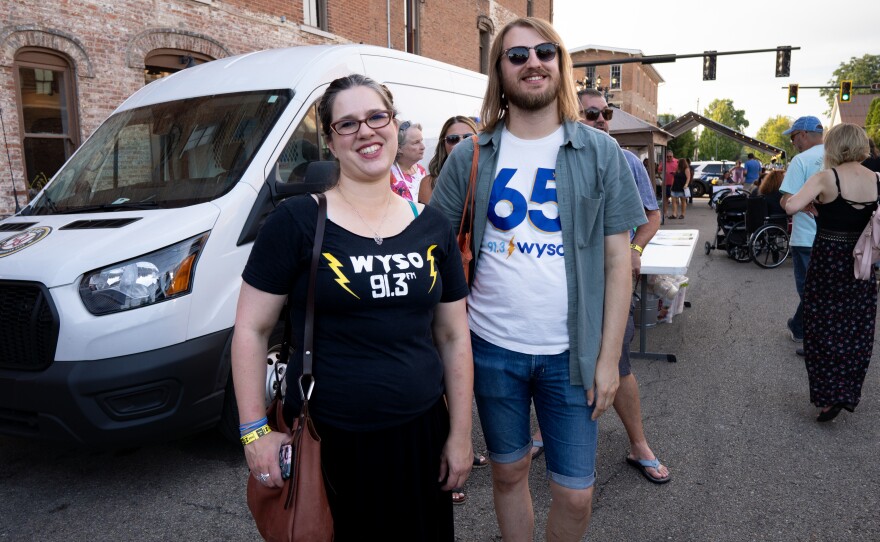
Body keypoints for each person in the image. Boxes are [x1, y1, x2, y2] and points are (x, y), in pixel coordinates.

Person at [232, 74, 474, 541]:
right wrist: (253, 433)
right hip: (330, 441)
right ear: (330, 140)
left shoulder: (433, 226)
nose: (365, 131)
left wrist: (461, 434)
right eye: (347, 123)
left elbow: (453, 336)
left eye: (376, 116)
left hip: (420, 434)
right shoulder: (297, 221)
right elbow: (250, 329)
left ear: (394, 125)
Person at [431, 17, 646, 541]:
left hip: (572, 356)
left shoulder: (601, 154)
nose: (533, 62)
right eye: (518, 55)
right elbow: (434, 251)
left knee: (575, 494)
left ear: (561, 65)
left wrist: (608, 361)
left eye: (545, 52)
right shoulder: (471, 155)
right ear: (499, 72)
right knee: (508, 472)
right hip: (490, 349)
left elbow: (620, 264)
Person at [574, 88, 668, 483]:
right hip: (565, 280)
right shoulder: (555, 156)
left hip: (610, 281)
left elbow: (652, 217)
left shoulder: (625, 159)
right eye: (591, 114)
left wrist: (633, 247)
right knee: (558, 360)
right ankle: (552, 432)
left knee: (619, 362)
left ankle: (638, 444)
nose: (601, 120)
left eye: (605, 113)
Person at [783, 123, 878, 422]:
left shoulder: (827, 177)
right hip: (862, 261)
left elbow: (791, 206)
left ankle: (827, 396)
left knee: (822, 326)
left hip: (828, 260)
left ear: (833, 147)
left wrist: (812, 205)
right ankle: (847, 392)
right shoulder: (876, 178)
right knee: (857, 328)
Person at [779, 116, 825, 354]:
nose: (793, 142)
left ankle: (815, 342)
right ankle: (798, 326)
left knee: (810, 292)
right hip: (839, 237)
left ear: (804, 134)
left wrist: (795, 201)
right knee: (827, 290)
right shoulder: (841, 157)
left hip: (807, 238)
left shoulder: (801, 160)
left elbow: (787, 200)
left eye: (794, 137)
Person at [420, 115, 479, 204]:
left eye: (468, 138)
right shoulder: (429, 183)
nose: (461, 143)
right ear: (443, 145)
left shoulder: (489, 177)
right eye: (453, 139)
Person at [391, 120, 427, 200]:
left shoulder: (421, 171)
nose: (423, 147)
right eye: (416, 143)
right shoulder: (388, 175)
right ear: (399, 148)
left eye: (421, 141)